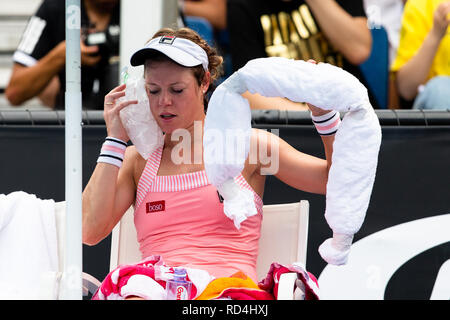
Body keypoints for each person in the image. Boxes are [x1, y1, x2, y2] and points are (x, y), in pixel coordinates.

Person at [82, 27, 338, 299]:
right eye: (153, 90)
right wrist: (115, 141)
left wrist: (324, 116)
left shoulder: (249, 146)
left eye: (177, 90)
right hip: (153, 291)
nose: (164, 102)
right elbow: (89, 231)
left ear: (204, 82)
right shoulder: (137, 160)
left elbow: (334, 182)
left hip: (228, 296)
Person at [226, 0, 378, 109]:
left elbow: (359, 50)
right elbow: (249, 90)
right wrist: (316, 119)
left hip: (352, 112)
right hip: (294, 126)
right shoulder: (242, 5)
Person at [5, 0, 120, 110]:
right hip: (71, 119)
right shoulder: (55, 7)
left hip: (127, 121)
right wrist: (61, 55)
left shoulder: (135, 8)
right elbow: (15, 92)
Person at [391, 0, 450, 109]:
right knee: (441, 88)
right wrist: (435, 34)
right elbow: (406, 89)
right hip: (434, 104)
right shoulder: (421, 5)